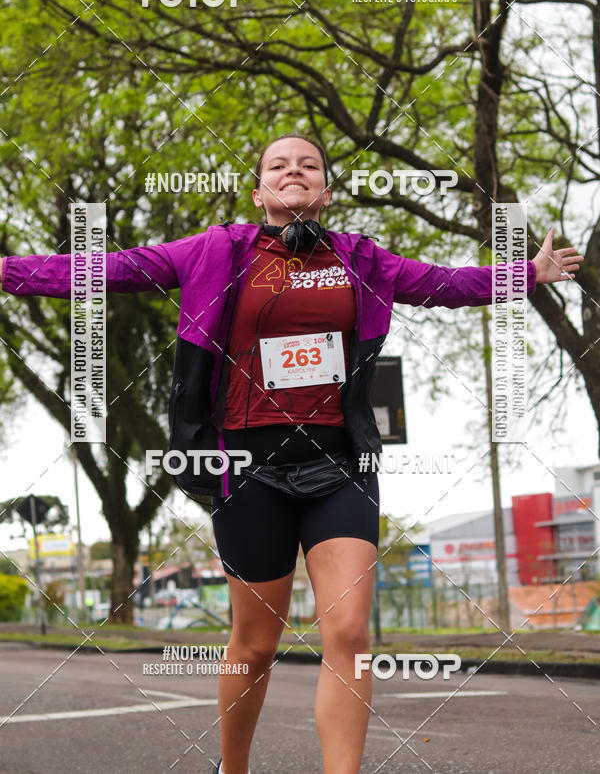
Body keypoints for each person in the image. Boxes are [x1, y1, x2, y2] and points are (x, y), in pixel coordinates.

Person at [0, 134, 583, 774]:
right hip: (244, 468)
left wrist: (528, 273)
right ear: (259, 192)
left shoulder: (363, 260)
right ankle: (234, 767)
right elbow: (105, 269)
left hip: (341, 464)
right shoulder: (214, 252)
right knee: (254, 644)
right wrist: (6, 272)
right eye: (278, 165)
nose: (294, 171)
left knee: (351, 635)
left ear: (326, 192)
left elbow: (445, 283)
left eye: (309, 164)